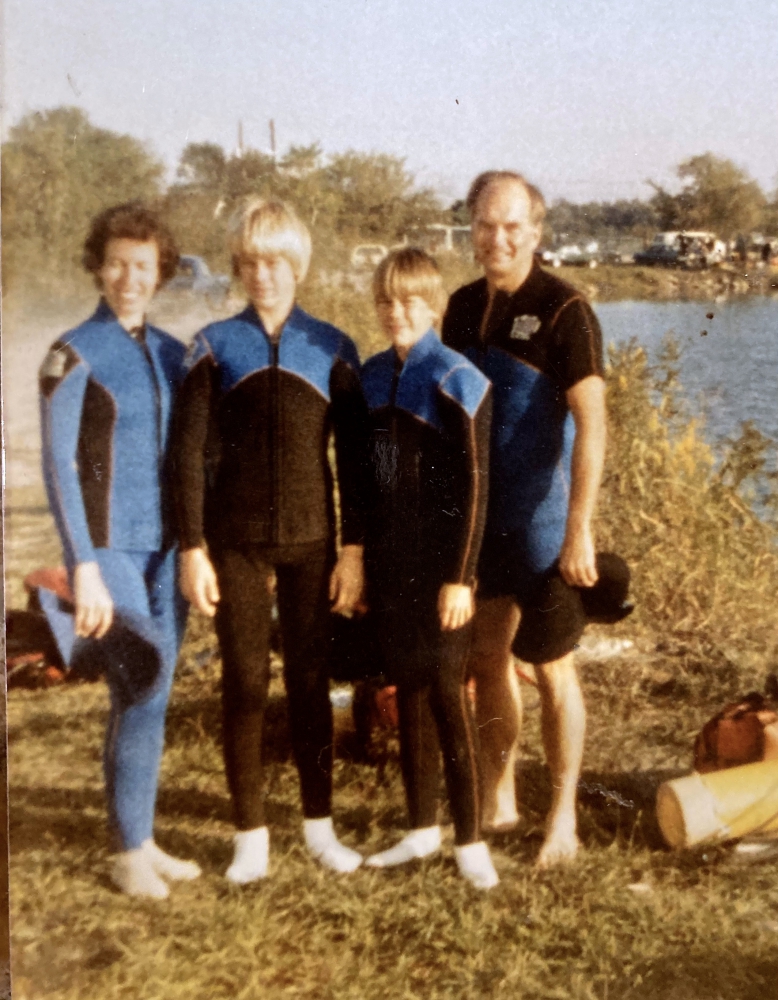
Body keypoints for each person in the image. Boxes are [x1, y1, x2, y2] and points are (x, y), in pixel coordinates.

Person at [172, 197, 369, 883]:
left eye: (276, 262)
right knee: (247, 683)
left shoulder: (333, 346)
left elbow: (358, 461)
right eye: (250, 263)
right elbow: (188, 453)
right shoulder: (215, 345)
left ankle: (320, 827)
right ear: (238, 267)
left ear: (298, 266)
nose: (263, 275)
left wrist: (354, 549)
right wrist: (191, 546)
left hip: (314, 542)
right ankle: (249, 835)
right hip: (236, 543)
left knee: (312, 684)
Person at [442, 171, 606, 867]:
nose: (497, 238)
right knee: (487, 660)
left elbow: (593, 425)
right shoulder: (458, 307)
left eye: (512, 226)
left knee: (554, 667)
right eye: (485, 224)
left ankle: (562, 816)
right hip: (483, 526)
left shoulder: (566, 310)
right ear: (470, 228)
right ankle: (500, 791)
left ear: (536, 233)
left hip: (541, 528)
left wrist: (579, 528)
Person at [39, 203, 199, 898]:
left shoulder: (174, 352)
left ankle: (142, 837)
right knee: (139, 677)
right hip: (109, 553)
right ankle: (126, 847)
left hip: (169, 551)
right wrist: (84, 567)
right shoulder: (71, 353)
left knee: (156, 692)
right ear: (97, 267)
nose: (129, 278)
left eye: (143, 266)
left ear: (160, 272)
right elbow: (58, 466)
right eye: (117, 264)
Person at [361, 248, 498, 889]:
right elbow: (380, 476)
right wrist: (366, 557)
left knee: (447, 691)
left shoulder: (459, 378)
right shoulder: (371, 377)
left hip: (445, 568)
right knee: (408, 688)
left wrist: (461, 577)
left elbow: (476, 487)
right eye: (388, 301)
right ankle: (420, 829)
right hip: (394, 565)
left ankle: (470, 839)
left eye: (412, 301)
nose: (399, 313)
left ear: (436, 306)